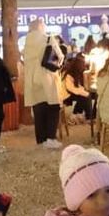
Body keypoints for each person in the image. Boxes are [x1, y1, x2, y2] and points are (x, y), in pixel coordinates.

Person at [24, 20, 64, 149]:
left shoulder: (27, 41)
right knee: (53, 107)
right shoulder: (48, 38)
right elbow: (60, 56)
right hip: (47, 78)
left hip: (32, 79)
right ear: (42, 27)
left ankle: (40, 139)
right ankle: (50, 138)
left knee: (38, 107)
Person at [61, 54, 95, 123]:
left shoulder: (75, 73)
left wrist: (85, 90)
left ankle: (77, 113)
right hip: (65, 95)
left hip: (71, 92)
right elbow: (72, 89)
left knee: (90, 95)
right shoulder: (68, 75)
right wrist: (85, 93)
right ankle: (89, 116)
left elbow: (78, 87)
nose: (84, 67)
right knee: (85, 97)